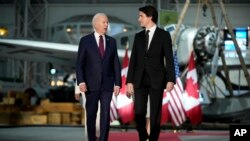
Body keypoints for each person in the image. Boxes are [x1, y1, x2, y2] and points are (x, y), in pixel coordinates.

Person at [126, 5, 176, 141]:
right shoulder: (138, 37)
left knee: (155, 114)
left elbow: (169, 58)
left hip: (157, 79)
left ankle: (153, 139)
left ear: (150, 17)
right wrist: (129, 81)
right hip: (139, 79)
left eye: (141, 16)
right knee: (138, 112)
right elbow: (133, 60)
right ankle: (143, 136)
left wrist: (171, 79)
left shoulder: (164, 35)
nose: (138, 19)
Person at [76, 13, 121, 141]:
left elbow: (115, 63)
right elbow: (79, 64)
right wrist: (81, 82)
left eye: (107, 22)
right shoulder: (85, 41)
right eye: (104, 22)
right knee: (91, 114)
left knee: (106, 114)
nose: (106, 24)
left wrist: (117, 83)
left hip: (107, 85)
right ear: (95, 24)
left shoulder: (112, 41)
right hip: (90, 85)